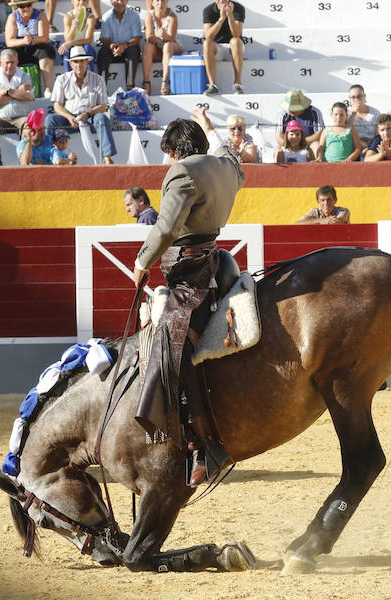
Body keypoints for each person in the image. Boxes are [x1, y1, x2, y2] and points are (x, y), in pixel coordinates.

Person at [133, 108, 245, 487]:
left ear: (176, 151)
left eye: (168, 152)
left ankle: (202, 444)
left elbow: (165, 228)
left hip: (189, 274)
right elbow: (231, 153)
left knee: (172, 348)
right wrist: (210, 126)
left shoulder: (182, 172)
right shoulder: (226, 168)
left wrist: (141, 262)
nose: (167, 160)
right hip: (214, 260)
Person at [46, 45, 116, 164]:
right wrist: (69, 117)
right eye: (75, 61)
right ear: (71, 64)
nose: (79, 64)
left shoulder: (98, 79)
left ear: (87, 62)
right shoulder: (62, 79)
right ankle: (48, 155)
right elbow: (57, 105)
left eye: (82, 61)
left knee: (101, 118)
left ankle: (107, 156)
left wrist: (87, 114)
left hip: (90, 117)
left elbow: (103, 106)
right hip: (69, 118)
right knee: (50, 120)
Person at [0, 47, 33, 166]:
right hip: (1, 118)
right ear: (0, 63)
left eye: (12, 62)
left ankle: (24, 161)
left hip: (21, 118)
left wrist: (7, 92)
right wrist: (18, 92)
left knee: (29, 124)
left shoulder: (24, 76)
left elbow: (29, 97)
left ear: (17, 63)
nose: (10, 66)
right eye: (7, 63)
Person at [4, 0, 55, 98]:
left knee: (46, 51)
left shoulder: (40, 15)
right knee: (8, 54)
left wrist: (32, 39)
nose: (26, 8)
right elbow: (9, 41)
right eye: (22, 6)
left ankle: (48, 88)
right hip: (19, 48)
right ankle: (9, 88)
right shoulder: (12, 17)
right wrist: (24, 41)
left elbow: (44, 37)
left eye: (28, 5)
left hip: (36, 47)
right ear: (17, 7)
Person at [201, 0, 244, 96]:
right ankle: (213, 85)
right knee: (207, 43)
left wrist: (230, 16)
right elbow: (208, 35)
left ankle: (238, 84)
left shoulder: (238, 8)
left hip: (234, 48)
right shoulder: (208, 10)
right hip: (217, 48)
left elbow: (236, 34)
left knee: (235, 41)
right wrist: (221, 19)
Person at [97, 0, 141, 91]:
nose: (120, 2)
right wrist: (112, 46)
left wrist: (125, 46)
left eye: (122, 0)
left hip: (128, 48)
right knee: (103, 52)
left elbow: (137, 38)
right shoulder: (106, 17)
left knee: (133, 50)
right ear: (111, 1)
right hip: (112, 50)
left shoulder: (134, 16)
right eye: (116, 0)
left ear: (127, 1)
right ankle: (102, 88)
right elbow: (104, 39)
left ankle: (130, 87)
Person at [141, 0, 181, 96]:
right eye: (157, 1)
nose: (160, 3)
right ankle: (146, 83)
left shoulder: (172, 16)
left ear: (167, 2)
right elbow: (149, 38)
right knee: (147, 47)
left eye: (163, 1)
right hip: (158, 48)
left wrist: (163, 35)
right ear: (153, 3)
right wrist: (158, 36)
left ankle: (165, 82)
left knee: (167, 46)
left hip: (172, 48)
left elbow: (171, 38)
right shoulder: (149, 15)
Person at [275, 89, 322, 156]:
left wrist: (300, 142)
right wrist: (291, 144)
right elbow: (279, 137)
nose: (290, 110)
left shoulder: (314, 112)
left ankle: (318, 166)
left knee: (316, 146)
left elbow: (319, 134)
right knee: (278, 150)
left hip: (309, 144)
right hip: (288, 145)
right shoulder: (283, 114)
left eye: (293, 108)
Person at [58, 0, 96, 74]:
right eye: (78, 0)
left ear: (87, 2)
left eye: (84, 0)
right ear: (72, 1)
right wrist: (73, 27)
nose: (81, 2)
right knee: (67, 50)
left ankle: (90, 77)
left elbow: (88, 40)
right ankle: (68, 78)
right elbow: (67, 39)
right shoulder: (68, 16)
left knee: (88, 48)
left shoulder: (90, 17)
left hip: (85, 47)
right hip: (72, 47)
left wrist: (71, 43)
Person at [347, 84, 381, 152]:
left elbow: (378, 134)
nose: (356, 99)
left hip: (370, 145)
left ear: (364, 96)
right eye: (353, 97)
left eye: (359, 96)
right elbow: (346, 131)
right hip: (352, 145)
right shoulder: (347, 112)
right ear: (349, 99)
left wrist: (370, 147)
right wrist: (353, 114)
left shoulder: (375, 112)